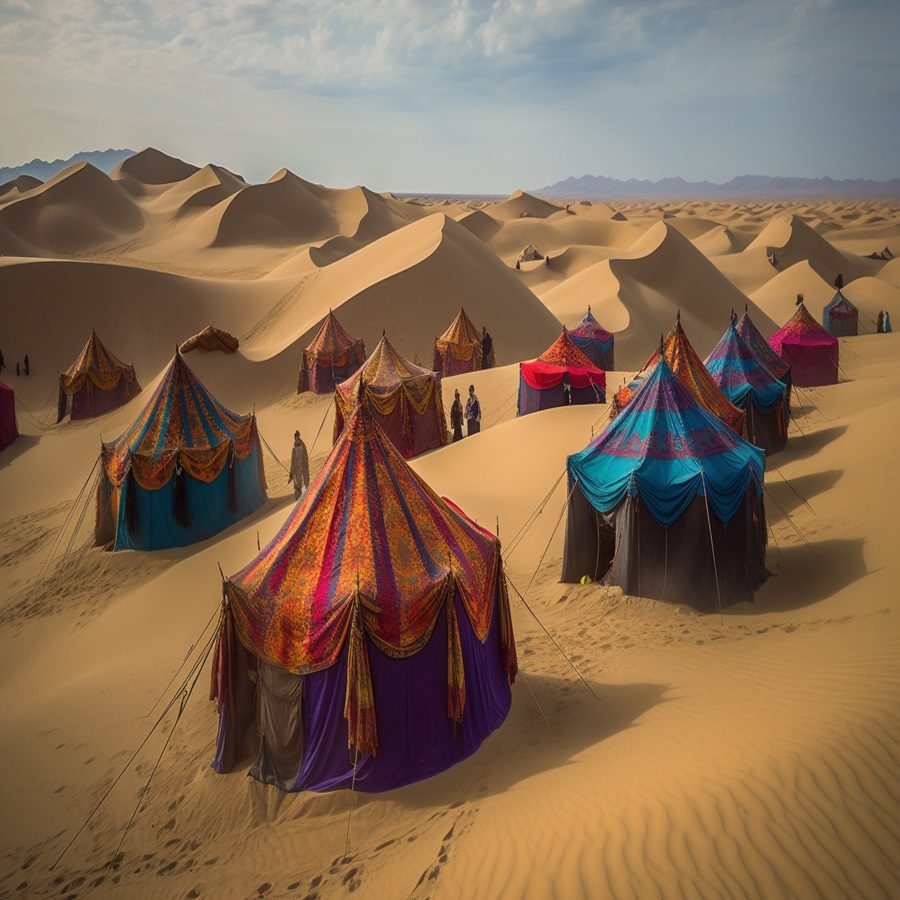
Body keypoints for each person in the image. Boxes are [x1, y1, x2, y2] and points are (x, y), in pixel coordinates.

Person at [288, 430, 310, 500]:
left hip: (302, 467)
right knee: (297, 484)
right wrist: (291, 472)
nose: (296, 437)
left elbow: (305, 457)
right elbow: (293, 460)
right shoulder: (294, 448)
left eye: (297, 436)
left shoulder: (302, 445)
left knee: (305, 483)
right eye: (295, 436)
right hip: (297, 468)